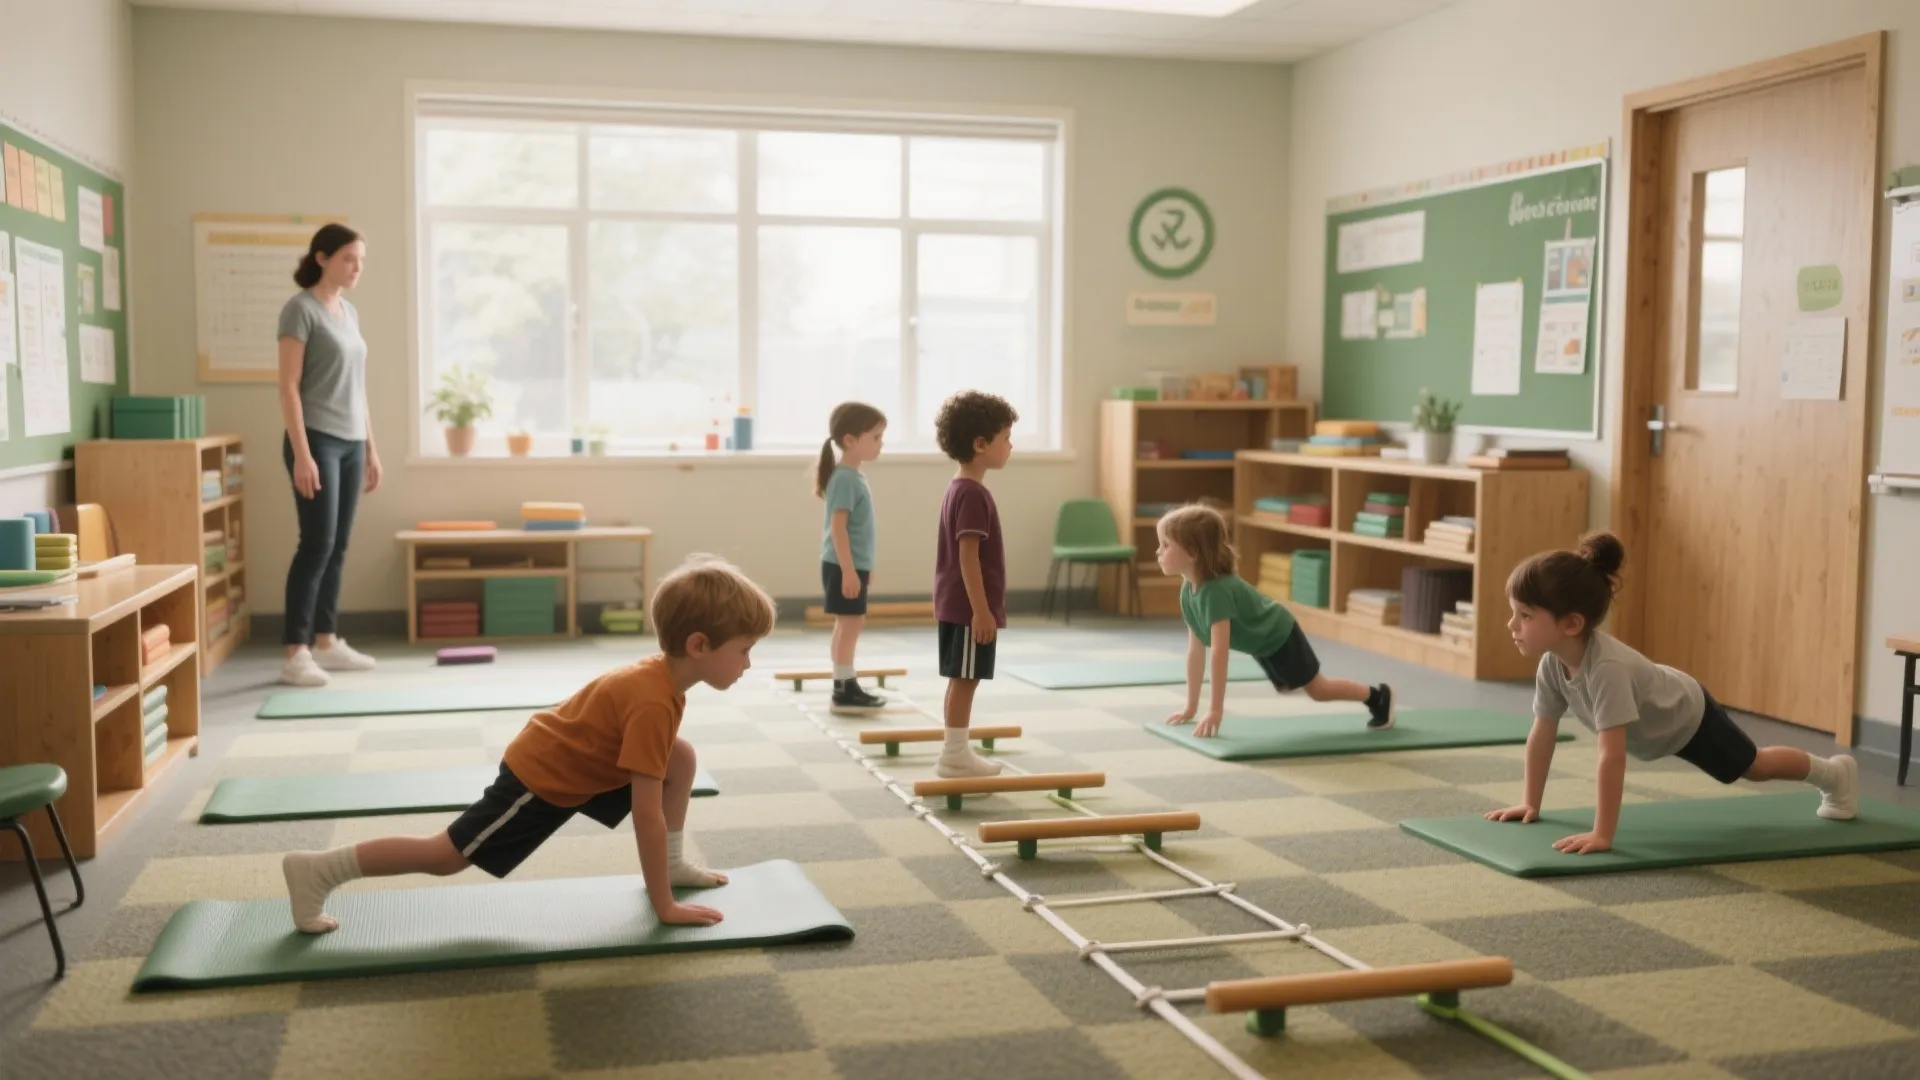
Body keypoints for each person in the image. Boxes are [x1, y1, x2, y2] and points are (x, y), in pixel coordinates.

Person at [280, 555, 775, 931]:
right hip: (543, 780)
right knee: (446, 857)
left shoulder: (663, 682)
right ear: (699, 646)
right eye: (745, 651)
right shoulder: (652, 703)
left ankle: (673, 864)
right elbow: (647, 814)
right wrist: (663, 904)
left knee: (679, 756)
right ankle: (321, 871)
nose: (749, 664)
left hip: (585, 763)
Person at [1486, 531, 1858, 853]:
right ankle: (1834, 773)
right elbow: (1542, 733)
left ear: (1571, 623)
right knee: (1752, 767)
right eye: (1513, 612)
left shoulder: (1606, 672)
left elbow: (1611, 757)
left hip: (1686, 717)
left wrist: (1602, 834)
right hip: (1655, 724)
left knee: (1755, 767)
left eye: (1525, 615)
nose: (1511, 624)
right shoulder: (1553, 664)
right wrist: (1528, 803)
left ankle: (1834, 775)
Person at [1156, 504, 1393, 737]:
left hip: (1279, 635)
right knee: (1292, 688)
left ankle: (1378, 697)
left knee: (1319, 690)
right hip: (1261, 642)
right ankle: (1375, 696)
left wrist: (1215, 711)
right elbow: (1196, 651)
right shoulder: (1189, 589)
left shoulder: (1216, 593)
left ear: (1192, 552)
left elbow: (1219, 653)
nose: (1158, 552)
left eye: (1166, 545)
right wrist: (1191, 707)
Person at [277, 223, 381, 687]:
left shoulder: (349, 312)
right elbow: (289, 386)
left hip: (352, 440)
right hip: (316, 439)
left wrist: (372, 449)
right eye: (348, 259)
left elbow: (358, 390)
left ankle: (326, 640)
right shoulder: (300, 310)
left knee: (338, 546)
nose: (357, 267)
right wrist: (302, 453)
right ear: (322, 258)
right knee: (316, 544)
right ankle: (295, 651)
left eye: (361, 260)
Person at [932, 391, 1018, 778]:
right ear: (980, 444)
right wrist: (981, 611)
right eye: (1005, 438)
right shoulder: (971, 494)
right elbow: (968, 557)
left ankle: (955, 750)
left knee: (962, 679)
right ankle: (954, 755)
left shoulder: (960, 488)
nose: (1010, 445)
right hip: (968, 608)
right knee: (966, 680)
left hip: (959, 604)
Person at [816, 402, 889, 714]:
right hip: (841, 565)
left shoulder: (852, 476)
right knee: (851, 624)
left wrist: (863, 568)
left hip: (848, 565)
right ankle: (844, 689)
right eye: (875, 437)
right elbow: (838, 528)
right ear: (850, 440)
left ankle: (843, 683)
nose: (880, 443)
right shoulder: (845, 478)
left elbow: (856, 531)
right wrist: (848, 571)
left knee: (847, 624)